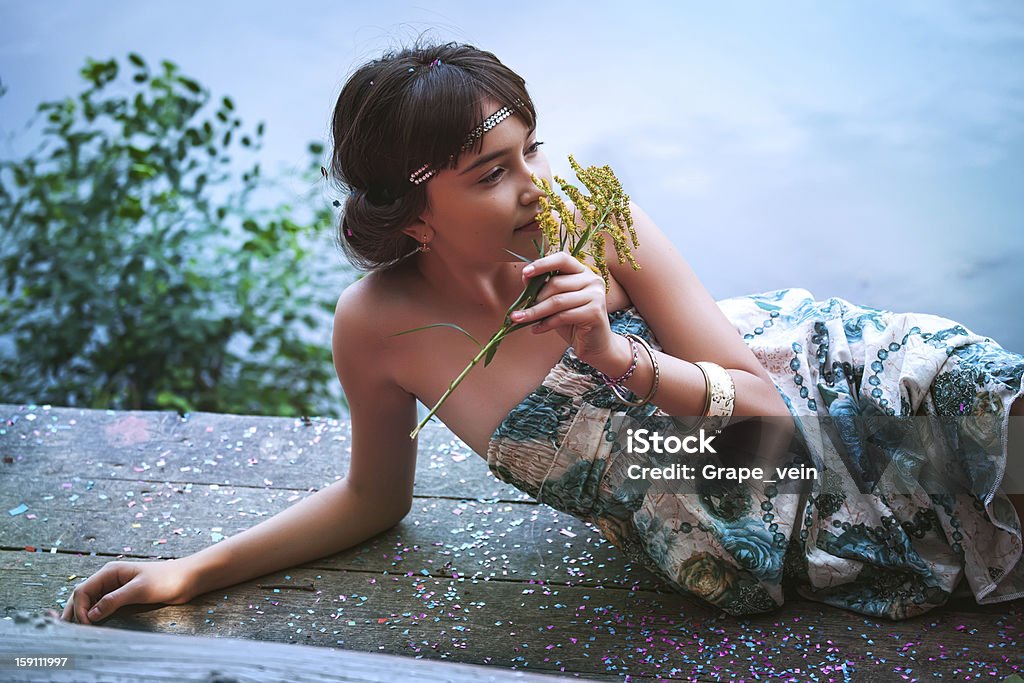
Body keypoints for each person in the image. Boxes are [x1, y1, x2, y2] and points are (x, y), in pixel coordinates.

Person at [62, 41, 1024, 624]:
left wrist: (615, 356)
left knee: (995, 409)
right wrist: (194, 567)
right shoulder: (378, 330)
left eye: (533, 146)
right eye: (490, 171)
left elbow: (772, 425)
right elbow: (371, 499)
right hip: (764, 537)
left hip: (839, 385)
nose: (532, 184)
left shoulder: (597, 223)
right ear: (411, 215)